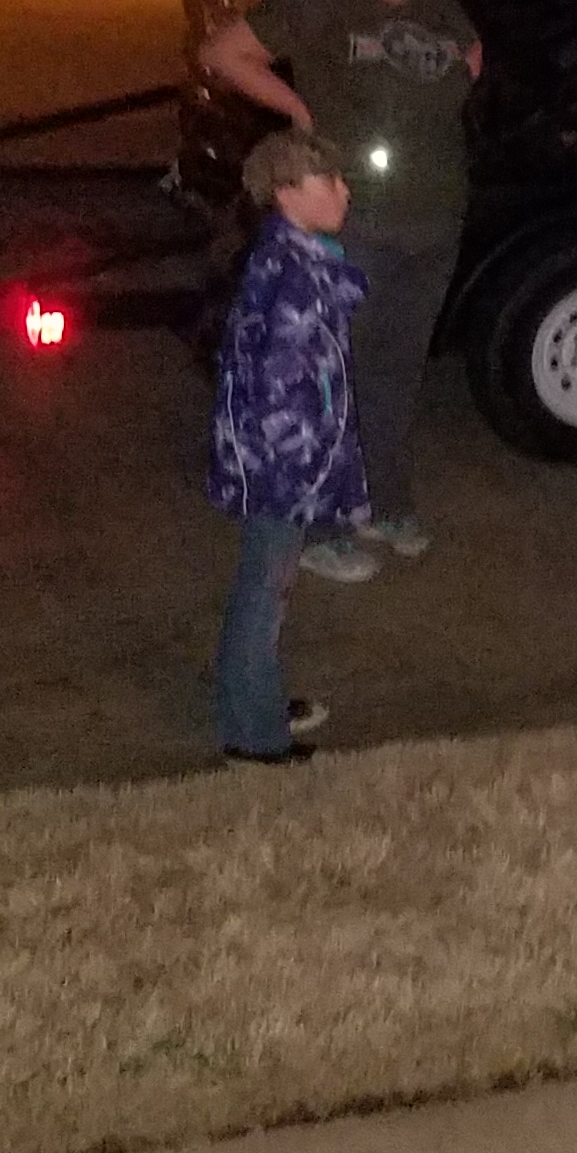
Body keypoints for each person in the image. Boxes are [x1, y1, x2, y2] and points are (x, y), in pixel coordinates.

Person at [199, 0, 480, 579]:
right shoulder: (324, 1)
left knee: (396, 370)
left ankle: (384, 503)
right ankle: (320, 525)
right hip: (352, 223)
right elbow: (223, 53)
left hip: (432, 225)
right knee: (330, 379)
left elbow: (473, 54)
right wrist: (300, 111)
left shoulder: (437, 3)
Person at [208, 126, 367, 764]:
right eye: (329, 180)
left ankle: (254, 699)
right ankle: (255, 739)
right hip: (279, 467)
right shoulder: (294, 277)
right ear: (287, 192)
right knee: (265, 595)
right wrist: (306, 473)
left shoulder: (294, 256)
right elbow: (280, 392)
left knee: (264, 588)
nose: (345, 192)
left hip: (272, 462)